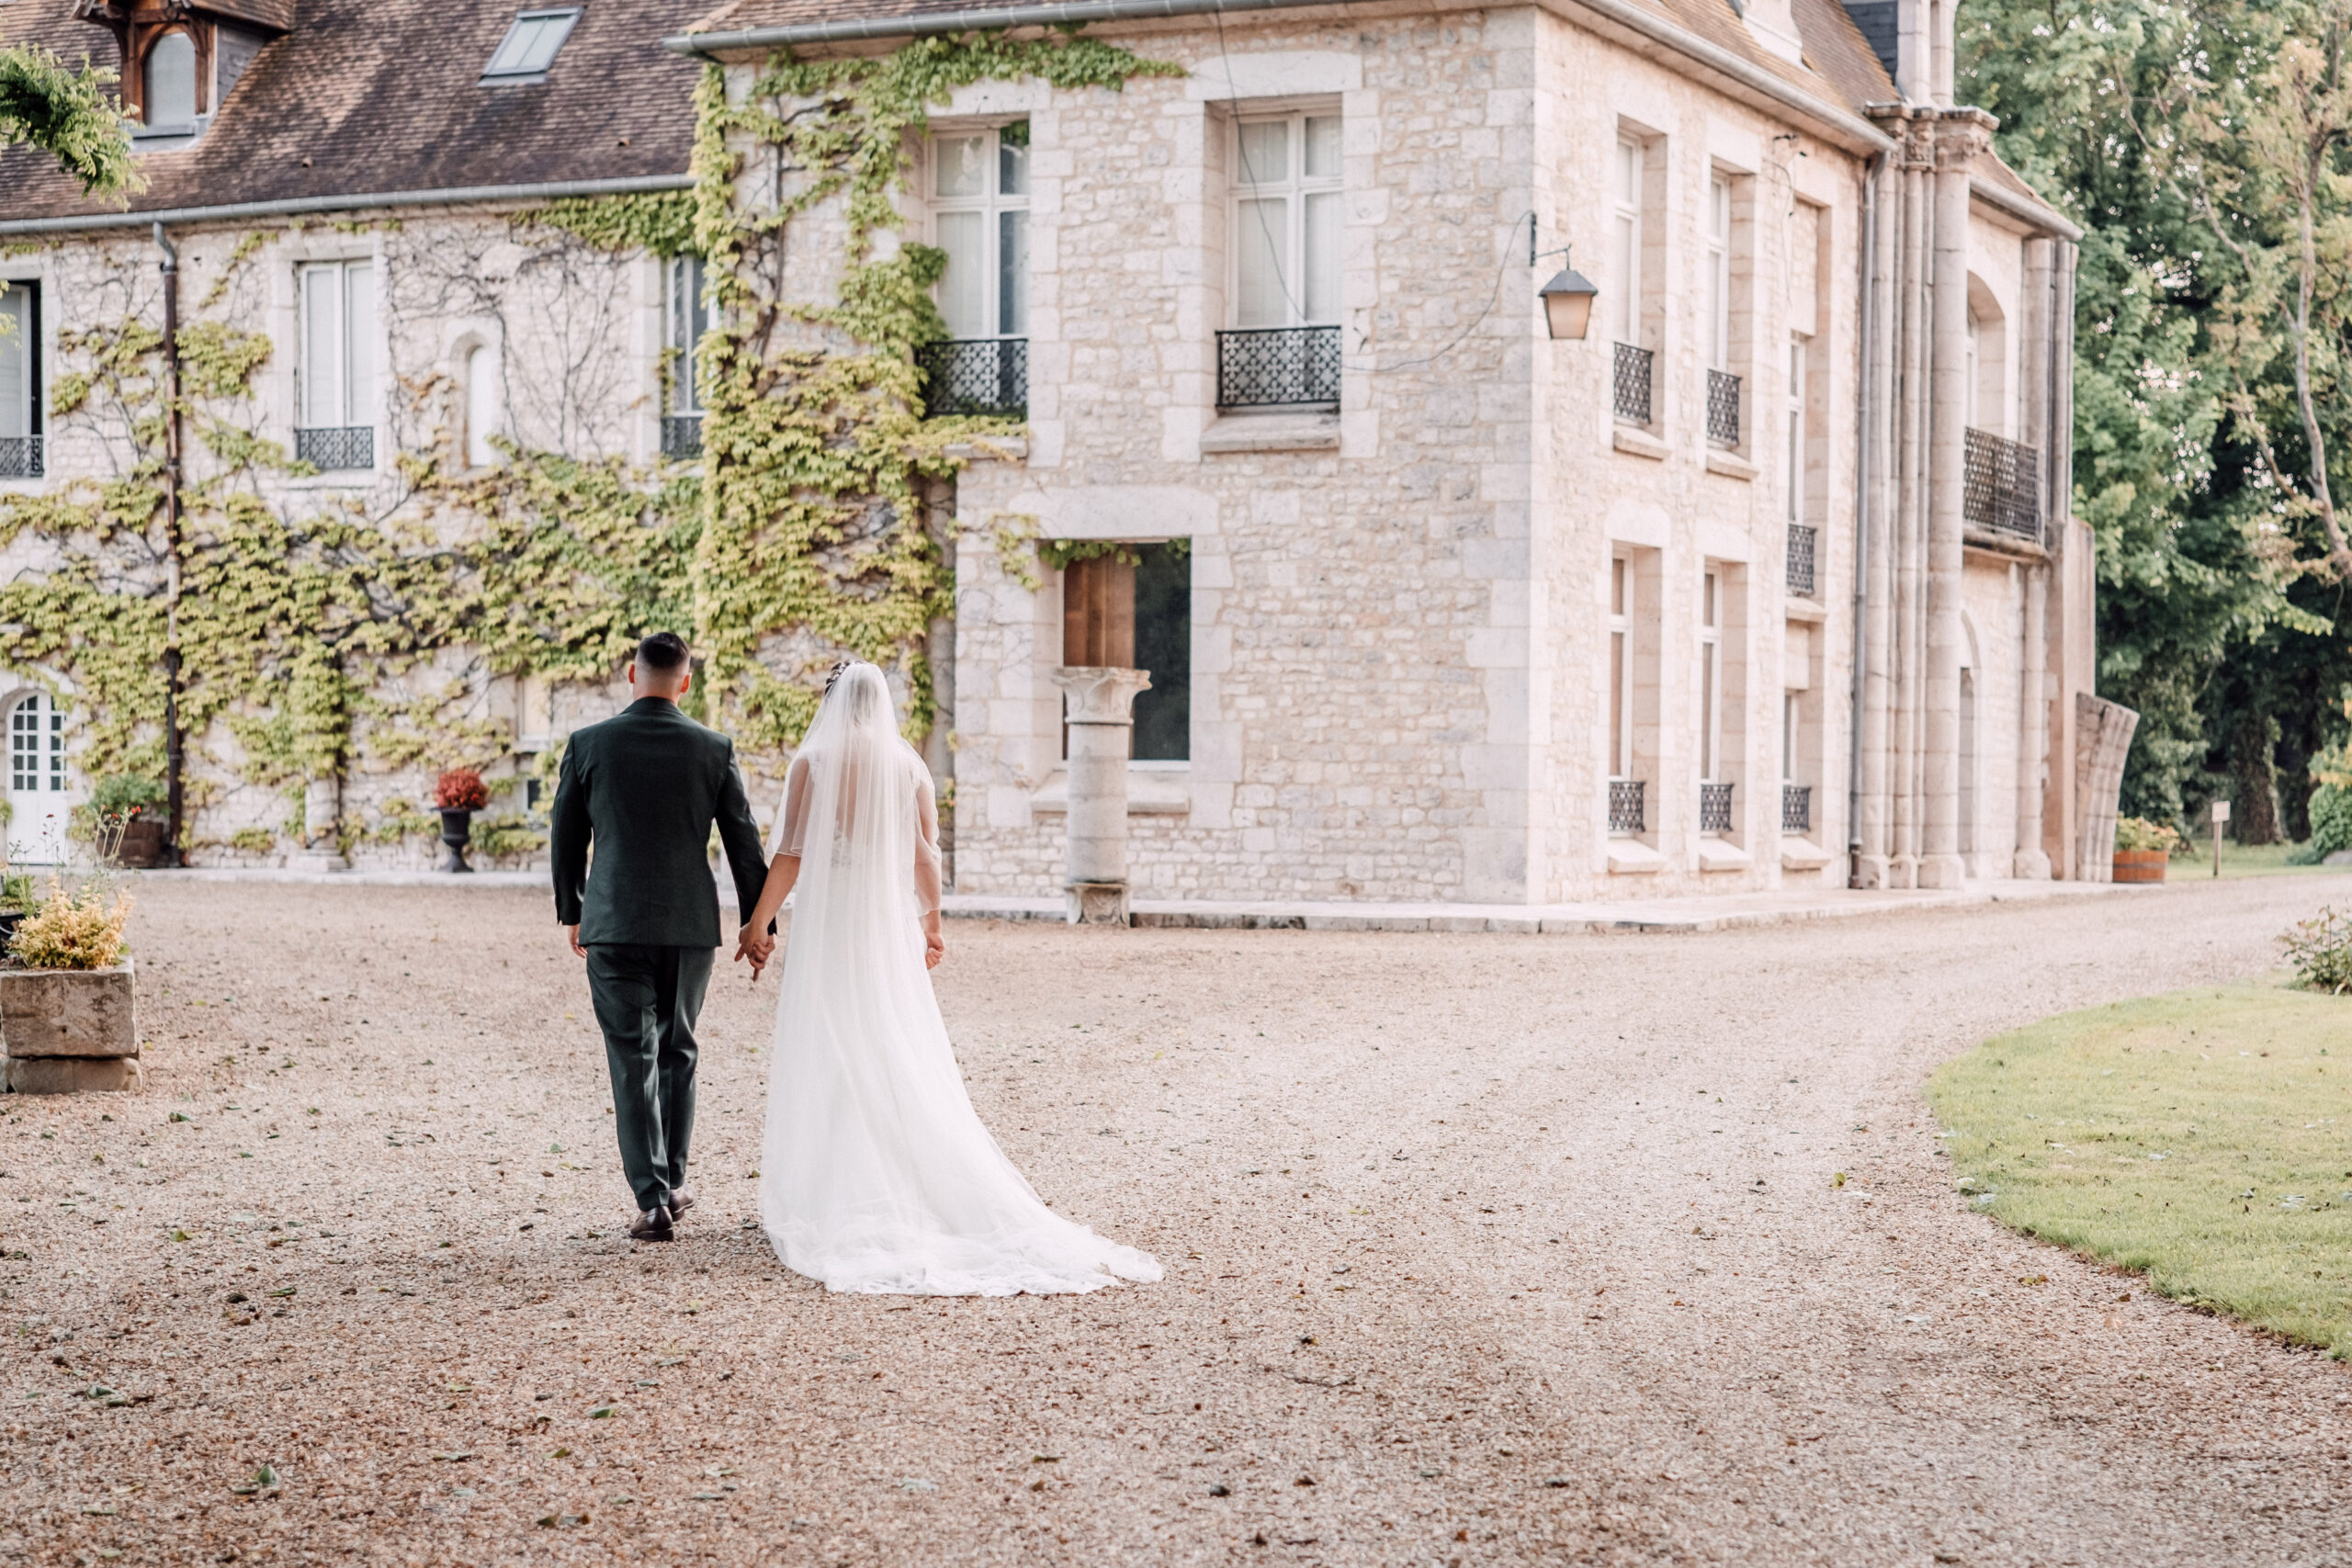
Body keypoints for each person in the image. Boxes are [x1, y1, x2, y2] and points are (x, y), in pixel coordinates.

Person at [735, 660, 1161, 1295]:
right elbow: (925, 855)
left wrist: (758, 921)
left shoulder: (813, 763)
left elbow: (792, 853)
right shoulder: (909, 766)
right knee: (891, 1036)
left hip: (832, 924)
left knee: (833, 1038)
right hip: (884, 924)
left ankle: (837, 1187)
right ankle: (907, 1182)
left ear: (830, 704)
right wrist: (932, 925)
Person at [550, 632, 771, 1242]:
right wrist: (759, 923)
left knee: (632, 1055)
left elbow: (565, 833)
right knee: (679, 1049)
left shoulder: (589, 743)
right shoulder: (712, 747)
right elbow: (743, 841)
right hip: (689, 925)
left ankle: (651, 1199)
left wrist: (572, 907)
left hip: (614, 921)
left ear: (631, 673)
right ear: (686, 681)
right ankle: (672, 1180)